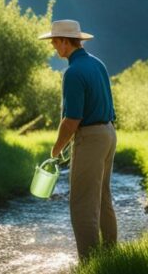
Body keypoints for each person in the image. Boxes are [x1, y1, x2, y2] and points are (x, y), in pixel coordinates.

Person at [39, 19, 117, 262]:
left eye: (54, 40)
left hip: (91, 138)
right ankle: (110, 257)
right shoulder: (98, 64)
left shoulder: (72, 73)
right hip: (109, 133)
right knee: (102, 196)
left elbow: (72, 120)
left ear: (65, 41)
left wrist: (56, 149)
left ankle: (90, 262)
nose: (52, 45)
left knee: (82, 203)